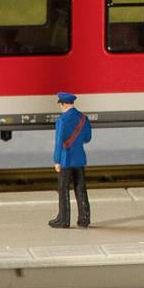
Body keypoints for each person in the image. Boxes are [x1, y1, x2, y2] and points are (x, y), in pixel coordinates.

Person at [49, 92, 91, 229]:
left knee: (63, 189)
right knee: (81, 189)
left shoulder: (62, 120)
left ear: (64, 104)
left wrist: (57, 160)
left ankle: (63, 219)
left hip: (66, 160)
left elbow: (59, 142)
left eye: (60, 104)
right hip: (79, 159)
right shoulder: (84, 119)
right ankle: (84, 218)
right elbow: (87, 139)